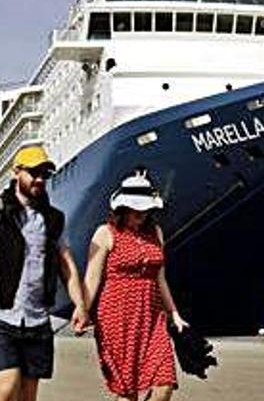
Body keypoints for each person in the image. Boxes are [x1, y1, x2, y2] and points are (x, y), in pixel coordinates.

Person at [0, 145, 87, 401]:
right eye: (33, 173)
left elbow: (66, 265)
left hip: (37, 320)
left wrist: (81, 305)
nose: (40, 179)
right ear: (16, 172)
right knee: (6, 388)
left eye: (45, 174)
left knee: (28, 397)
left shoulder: (53, 219)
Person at [80, 171, 188, 401]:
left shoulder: (155, 233)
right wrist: (82, 310)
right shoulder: (105, 233)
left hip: (153, 316)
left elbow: (160, 278)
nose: (141, 215)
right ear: (122, 209)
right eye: (135, 210)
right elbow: (92, 278)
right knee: (127, 391)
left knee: (164, 384)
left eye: (145, 210)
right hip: (117, 317)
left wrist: (175, 314)